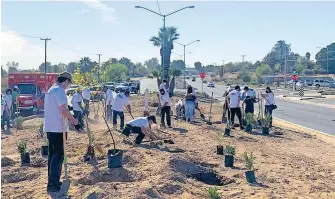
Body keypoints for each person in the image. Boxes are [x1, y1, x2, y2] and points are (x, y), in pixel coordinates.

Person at [44, 72, 83, 192]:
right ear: (65, 81)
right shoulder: (59, 91)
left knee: (52, 155)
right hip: (58, 128)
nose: (68, 86)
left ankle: (52, 181)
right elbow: (63, 110)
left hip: (50, 128)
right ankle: (53, 184)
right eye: (68, 83)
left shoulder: (51, 90)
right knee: (59, 155)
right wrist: (75, 121)